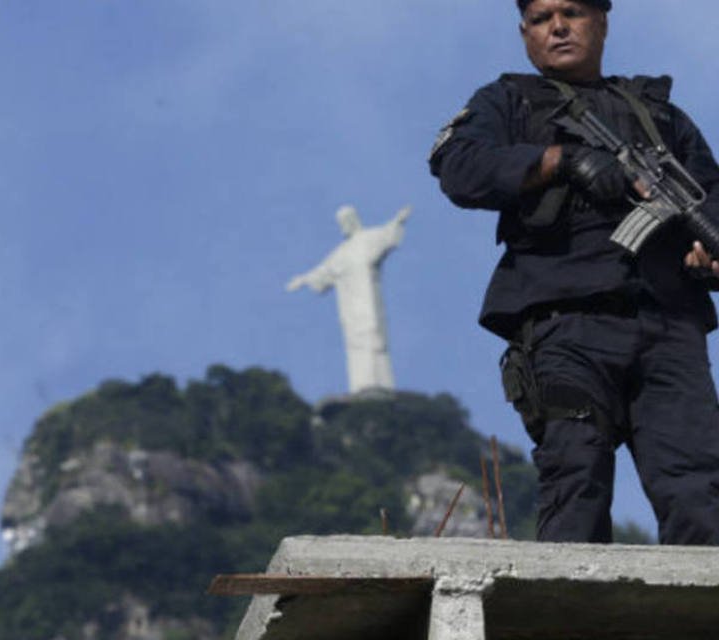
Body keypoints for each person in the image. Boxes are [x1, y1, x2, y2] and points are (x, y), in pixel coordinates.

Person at [429, 0, 719, 544]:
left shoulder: (660, 116)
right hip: (565, 325)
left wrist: (707, 258)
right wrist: (561, 162)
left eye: (571, 13)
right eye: (541, 19)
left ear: (602, 21)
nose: (557, 27)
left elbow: (710, 200)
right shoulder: (509, 101)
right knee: (575, 475)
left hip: (669, 325)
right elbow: (460, 168)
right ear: (524, 33)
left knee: (698, 490)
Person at [286, 205, 411, 393]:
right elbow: (324, 271)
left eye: (346, 220)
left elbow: (387, 234)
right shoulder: (342, 252)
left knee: (374, 336)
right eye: (341, 222)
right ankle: (362, 384)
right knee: (355, 343)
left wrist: (399, 220)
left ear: (353, 220)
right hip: (350, 307)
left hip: (369, 300)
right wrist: (303, 280)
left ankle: (381, 382)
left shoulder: (368, 238)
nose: (344, 225)